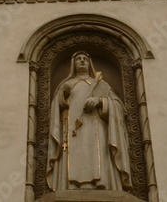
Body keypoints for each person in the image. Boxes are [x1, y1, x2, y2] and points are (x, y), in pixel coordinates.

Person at [47, 52, 132, 192]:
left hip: (97, 129)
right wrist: (62, 94)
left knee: (97, 152)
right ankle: (70, 185)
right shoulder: (67, 84)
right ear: (73, 64)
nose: (82, 61)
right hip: (72, 130)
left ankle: (101, 182)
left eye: (85, 59)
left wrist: (100, 101)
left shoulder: (100, 84)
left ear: (89, 63)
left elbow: (119, 108)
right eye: (78, 59)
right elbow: (57, 108)